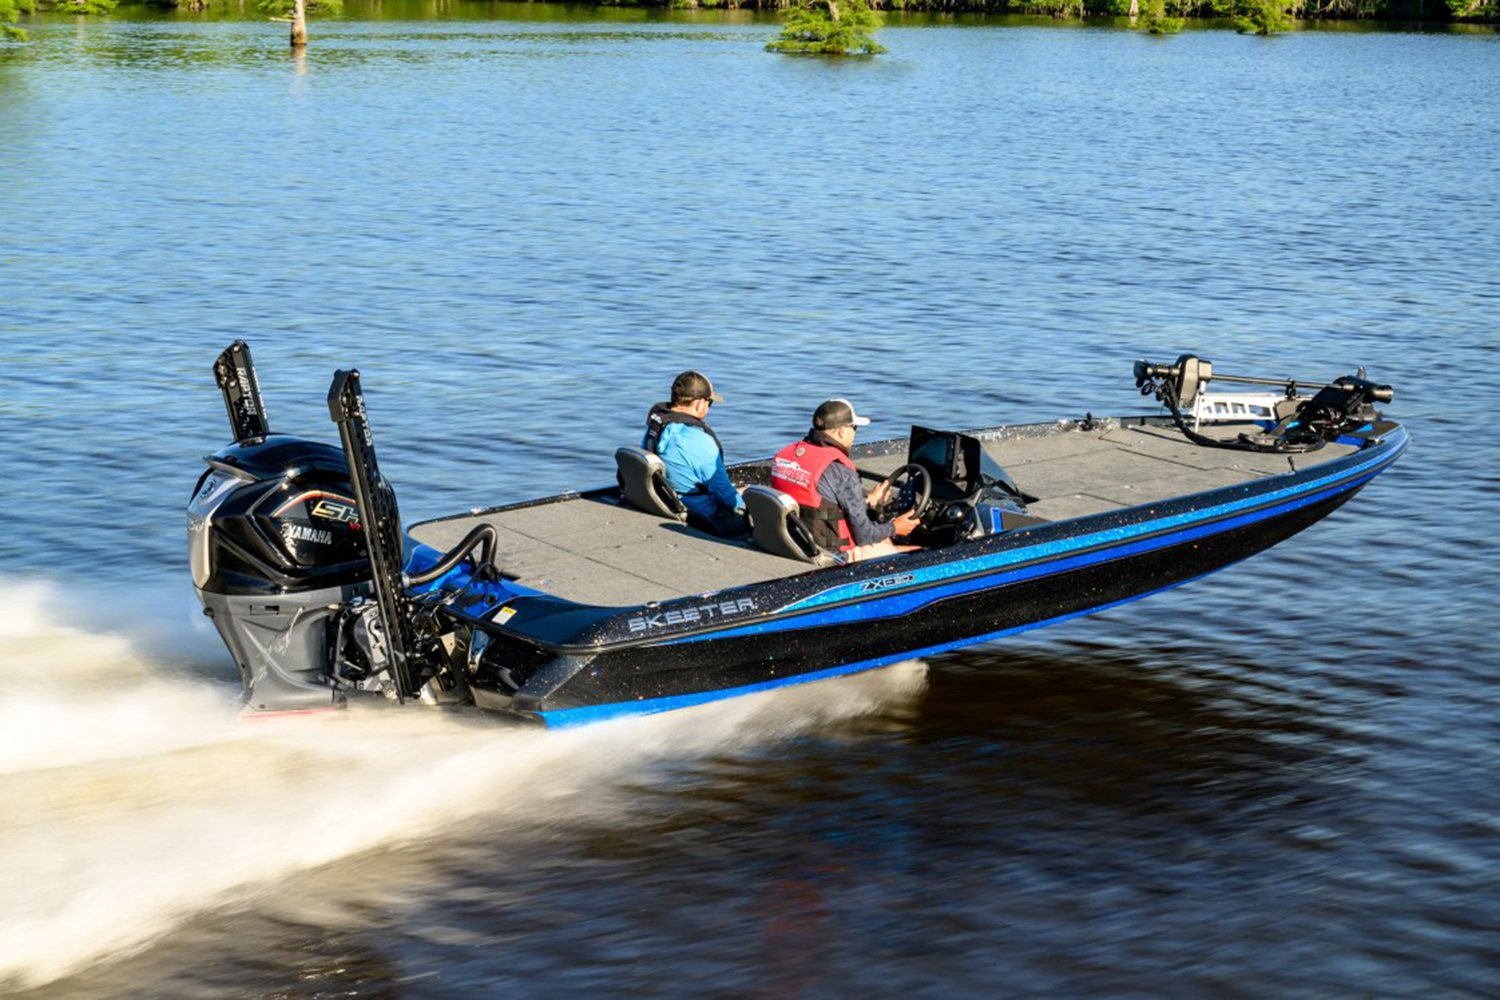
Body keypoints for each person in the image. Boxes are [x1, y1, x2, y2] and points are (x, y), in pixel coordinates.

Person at [771, 398, 921, 562]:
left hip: (792, 540)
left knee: (884, 537)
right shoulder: (840, 470)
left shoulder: (786, 456)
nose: (855, 434)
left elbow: (820, 501)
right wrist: (896, 527)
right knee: (920, 553)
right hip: (829, 554)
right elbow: (864, 535)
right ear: (842, 431)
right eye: (854, 428)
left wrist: (865, 500)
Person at [643, 371, 748, 538]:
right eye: (710, 403)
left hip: (668, 498)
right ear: (700, 403)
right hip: (703, 515)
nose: (708, 407)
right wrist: (748, 504)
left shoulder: (657, 426)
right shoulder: (699, 440)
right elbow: (725, 496)